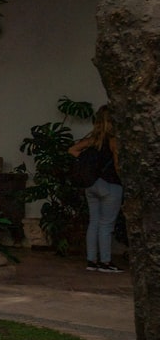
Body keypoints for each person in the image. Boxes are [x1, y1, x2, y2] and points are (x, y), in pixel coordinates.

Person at [68, 106, 123, 273]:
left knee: (94, 222)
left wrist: (88, 163)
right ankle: (106, 262)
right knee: (106, 225)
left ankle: (92, 261)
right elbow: (117, 164)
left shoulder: (94, 139)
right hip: (110, 184)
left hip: (91, 184)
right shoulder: (114, 140)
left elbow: (72, 149)